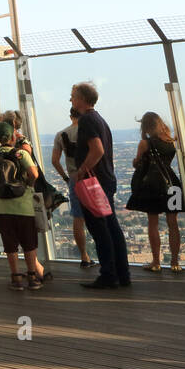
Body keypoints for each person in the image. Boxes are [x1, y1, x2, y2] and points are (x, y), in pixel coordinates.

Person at [69, 83, 131, 289]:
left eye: (73, 96)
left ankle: (108, 274)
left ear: (82, 99)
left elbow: (97, 150)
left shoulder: (86, 120)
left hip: (94, 183)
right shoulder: (99, 119)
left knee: (99, 228)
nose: (71, 100)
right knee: (111, 226)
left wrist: (82, 171)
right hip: (105, 179)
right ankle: (122, 273)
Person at [0, 121, 42, 290]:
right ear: (13, 136)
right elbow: (34, 173)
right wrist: (28, 184)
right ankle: (33, 278)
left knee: (10, 244)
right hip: (24, 206)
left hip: (3, 206)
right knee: (29, 243)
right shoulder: (21, 154)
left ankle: (16, 279)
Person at [126, 112, 183, 273]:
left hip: (153, 186)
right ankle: (175, 262)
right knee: (173, 224)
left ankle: (156, 262)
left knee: (153, 223)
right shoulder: (170, 140)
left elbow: (137, 164)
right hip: (172, 184)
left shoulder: (145, 143)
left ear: (145, 126)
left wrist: (136, 162)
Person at [51, 108, 95, 267]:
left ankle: (84, 256)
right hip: (92, 178)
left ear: (70, 116)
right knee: (98, 216)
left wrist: (65, 177)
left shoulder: (61, 135)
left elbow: (55, 160)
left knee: (78, 218)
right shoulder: (89, 130)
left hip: (74, 178)